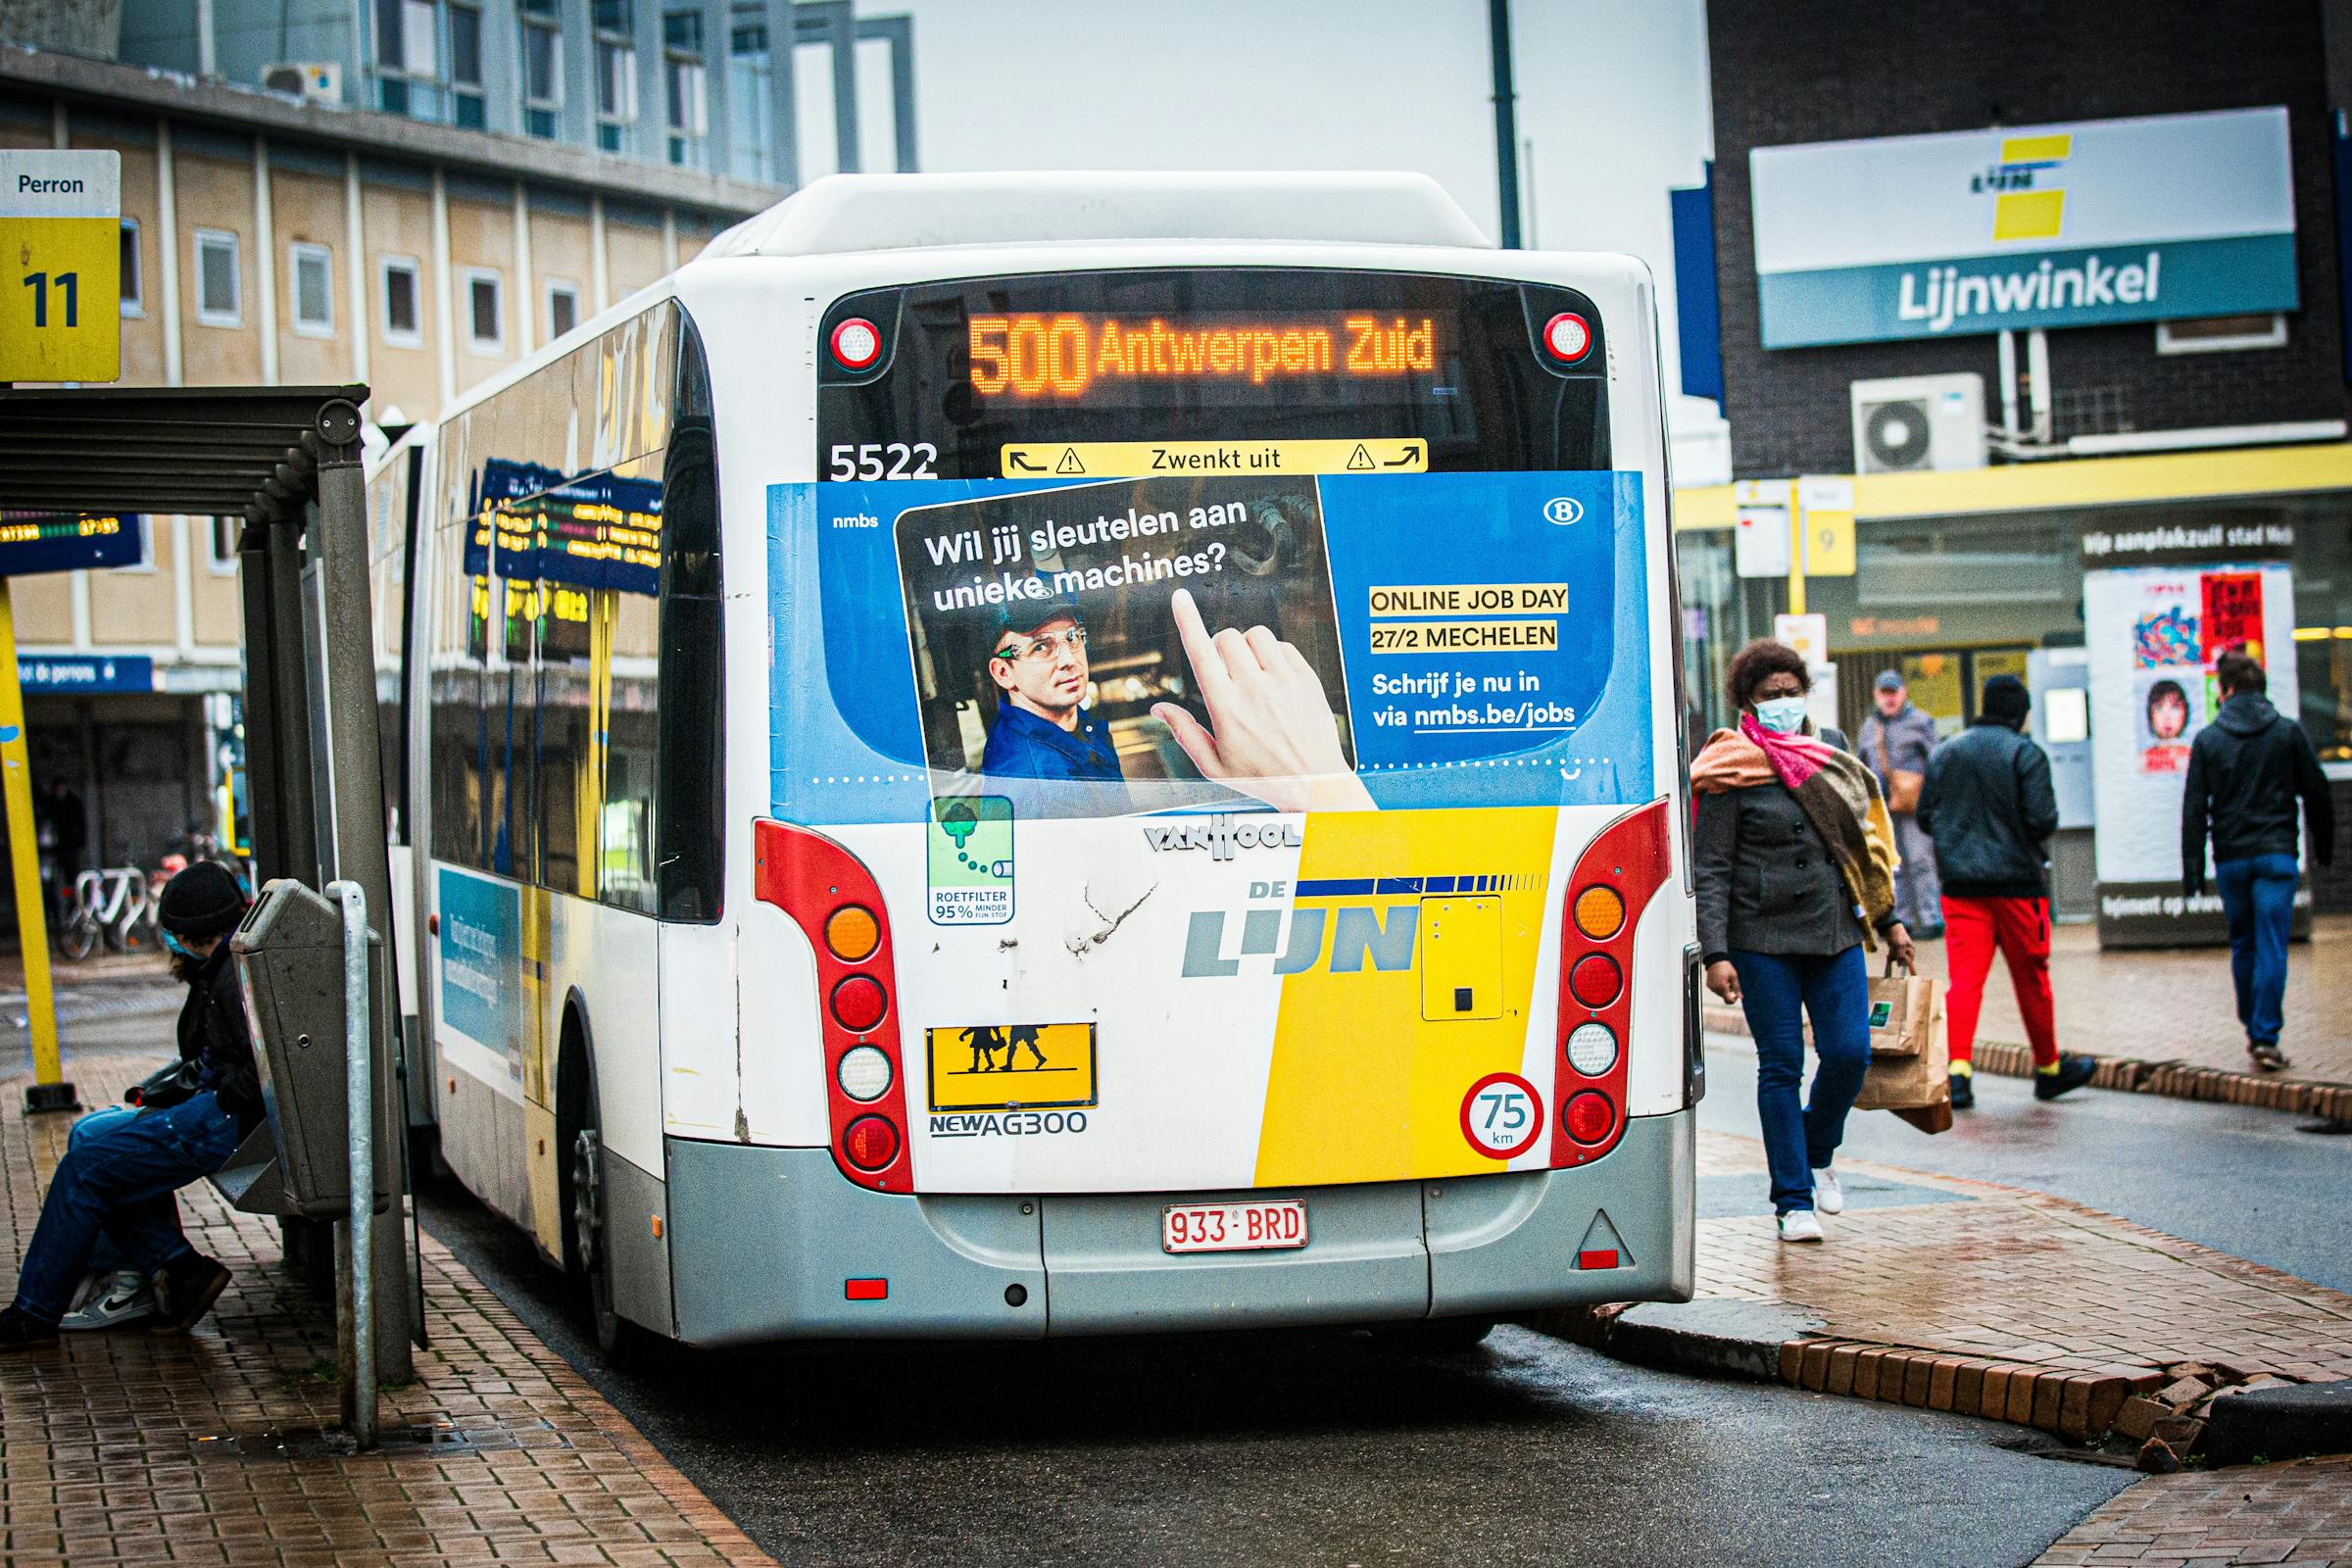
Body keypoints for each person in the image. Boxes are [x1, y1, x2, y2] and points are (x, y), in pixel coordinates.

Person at [1693, 639, 1912, 1245]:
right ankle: (1793, 1200)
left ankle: (1817, 1149)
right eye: (1771, 696)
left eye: (1792, 693)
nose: (1784, 703)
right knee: (1782, 1065)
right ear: (1748, 700)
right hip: (1760, 939)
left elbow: (1860, 843)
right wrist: (1715, 953)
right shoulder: (1727, 762)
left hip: (1834, 929)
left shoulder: (1832, 751)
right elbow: (1711, 866)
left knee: (1850, 1054)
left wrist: (1890, 919)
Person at [0, 862, 258, 1348]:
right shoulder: (221, 966)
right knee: (94, 1138)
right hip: (216, 1106)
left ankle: (34, 1312)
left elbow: (247, 1070)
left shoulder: (230, 977)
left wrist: (213, 1092)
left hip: (223, 1117)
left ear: (189, 934)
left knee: (86, 1169)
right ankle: (172, 1270)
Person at [1917, 674, 2095, 1109]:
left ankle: (1957, 1074)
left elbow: (1925, 816)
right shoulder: (2025, 753)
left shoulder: (1946, 752)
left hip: (1960, 889)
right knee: (2032, 978)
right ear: (2019, 711)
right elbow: (2042, 820)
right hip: (2018, 887)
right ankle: (2049, 1069)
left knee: (1965, 983)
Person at [2180, 647, 2334, 1073]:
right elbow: (2318, 792)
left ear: (2226, 690)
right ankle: (2265, 1035)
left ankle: (2254, 1028)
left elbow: (2194, 808)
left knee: (2243, 944)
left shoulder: (2208, 740)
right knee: (2272, 945)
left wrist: (2192, 869)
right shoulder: (2287, 733)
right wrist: (2324, 848)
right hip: (2276, 857)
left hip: (2231, 860)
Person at [980, 602, 1129, 813]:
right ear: (1004, 672)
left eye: (1073, 637)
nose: (1069, 660)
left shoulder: (1072, 723)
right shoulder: (1035, 785)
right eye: (1040, 647)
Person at [1858, 670, 1944, 939]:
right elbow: (1860, 763)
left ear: (1903, 692)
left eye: (1894, 692)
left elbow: (1937, 760)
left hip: (1913, 806)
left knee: (1921, 862)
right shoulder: (1869, 728)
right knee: (1892, 866)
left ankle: (1931, 919)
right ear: (1876, 695)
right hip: (1881, 809)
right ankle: (1901, 919)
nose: (1890, 698)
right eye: (1885, 693)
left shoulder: (1921, 722)